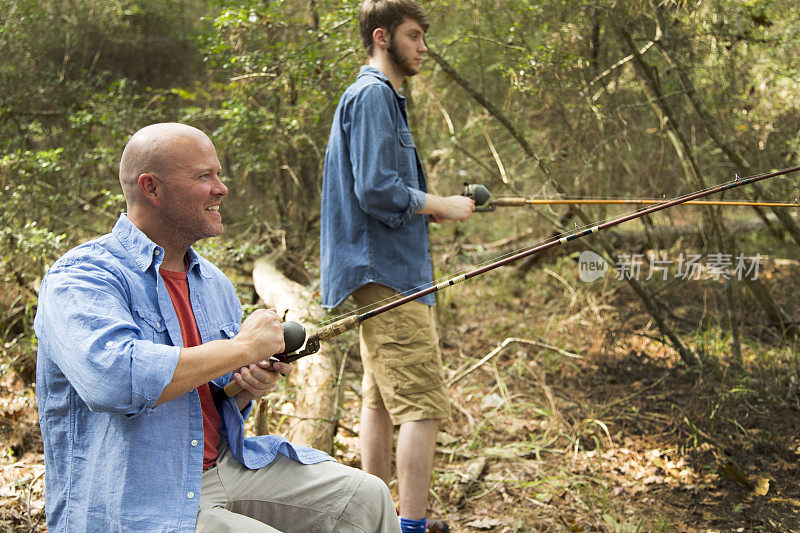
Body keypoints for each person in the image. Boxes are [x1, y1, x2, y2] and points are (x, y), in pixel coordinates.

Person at [35, 123, 400, 533]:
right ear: (151, 188)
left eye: (218, 174)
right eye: (203, 176)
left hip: (222, 464)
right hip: (135, 496)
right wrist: (243, 349)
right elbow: (115, 380)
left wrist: (245, 385)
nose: (221, 188)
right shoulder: (82, 277)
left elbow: (214, 397)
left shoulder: (213, 283)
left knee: (365, 497)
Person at [320, 2, 475, 532]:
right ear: (382, 37)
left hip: (384, 268)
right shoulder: (372, 96)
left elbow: (383, 189)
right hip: (383, 271)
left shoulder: (380, 97)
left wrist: (440, 204)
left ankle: (377, 518)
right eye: (414, 36)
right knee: (423, 402)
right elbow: (377, 190)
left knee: (382, 399)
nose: (423, 47)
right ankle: (408, 525)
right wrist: (442, 203)